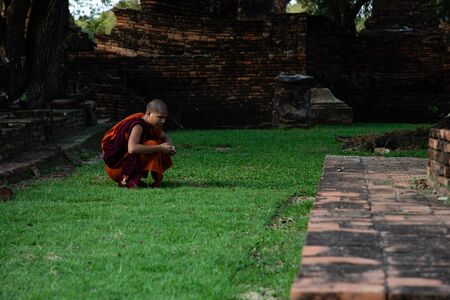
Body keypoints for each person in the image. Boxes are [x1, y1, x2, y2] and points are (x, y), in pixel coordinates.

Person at [101, 99, 176, 188]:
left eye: (165, 118)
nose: (163, 121)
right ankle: (129, 179)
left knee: (158, 143)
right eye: (160, 117)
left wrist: (169, 147)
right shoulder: (138, 125)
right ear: (148, 114)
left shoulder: (150, 123)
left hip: (124, 164)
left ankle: (147, 180)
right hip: (117, 168)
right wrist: (160, 148)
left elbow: (166, 137)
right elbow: (132, 149)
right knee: (152, 144)